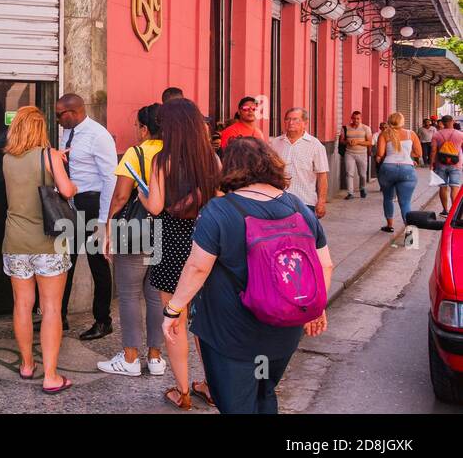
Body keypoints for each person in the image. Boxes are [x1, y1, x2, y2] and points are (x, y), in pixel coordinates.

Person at [163, 137, 333, 413]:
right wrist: (315, 307)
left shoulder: (218, 210)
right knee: (264, 391)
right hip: (283, 329)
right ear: (270, 164)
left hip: (231, 333)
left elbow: (197, 267)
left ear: (228, 168)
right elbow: (325, 264)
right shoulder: (298, 206)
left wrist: (173, 310)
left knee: (237, 404)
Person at [143, 96, 220, 410]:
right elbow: (218, 201)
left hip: (169, 245)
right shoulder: (212, 160)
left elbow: (157, 207)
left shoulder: (162, 161)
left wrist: (142, 193)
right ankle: (212, 386)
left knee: (174, 320)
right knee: (204, 324)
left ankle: (182, 391)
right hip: (206, 247)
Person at [2, 106, 77, 392]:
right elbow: (67, 190)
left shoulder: (7, 159)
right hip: (48, 242)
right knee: (50, 308)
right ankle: (51, 375)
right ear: (40, 128)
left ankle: (26, 365)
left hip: (15, 241)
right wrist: (73, 181)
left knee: (22, 304)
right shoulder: (49, 155)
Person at [98, 103, 166, 377]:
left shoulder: (135, 153)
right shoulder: (175, 153)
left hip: (135, 229)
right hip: (165, 229)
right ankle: (156, 358)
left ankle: (130, 358)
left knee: (128, 295)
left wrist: (109, 229)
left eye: (137, 126)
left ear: (145, 129)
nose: (136, 131)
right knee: (155, 296)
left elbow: (121, 196)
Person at [54, 93, 116, 340]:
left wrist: (103, 220)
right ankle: (57, 316)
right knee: (63, 261)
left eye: (60, 114)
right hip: (70, 204)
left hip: (92, 204)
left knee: (97, 263)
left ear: (75, 111)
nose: (57, 119)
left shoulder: (98, 135)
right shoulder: (66, 132)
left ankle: (103, 321)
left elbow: (110, 178)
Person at [269, 108, 329, 218]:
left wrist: (321, 202)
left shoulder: (315, 145)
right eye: (287, 119)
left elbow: (322, 175)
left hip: (305, 201)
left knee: (304, 234)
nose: (291, 123)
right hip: (278, 201)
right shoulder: (275, 143)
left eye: (295, 119)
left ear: (305, 123)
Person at [376, 112, 421, 233]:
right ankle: (410, 237)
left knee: (388, 198)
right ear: (402, 121)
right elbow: (419, 153)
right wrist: (407, 155)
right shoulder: (411, 134)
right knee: (405, 203)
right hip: (407, 169)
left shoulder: (384, 134)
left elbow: (380, 154)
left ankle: (389, 225)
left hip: (388, 169)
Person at [429, 115, 463, 214]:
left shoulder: (437, 134)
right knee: (455, 187)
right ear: (452, 121)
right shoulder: (460, 134)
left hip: (441, 164)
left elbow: (433, 151)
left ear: (442, 123)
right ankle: (455, 211)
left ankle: (445, 210)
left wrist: (431, 164)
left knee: (443, 187)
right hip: (456, 164)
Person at [341, 111, 372, 199]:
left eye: (358, 118)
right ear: (351, 118)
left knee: (362, 174)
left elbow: (370, 142)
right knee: (349, 173)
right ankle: (350, 193)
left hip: (362, 154)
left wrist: (358, 142)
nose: (356, 120)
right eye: (354, 118)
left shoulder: (366, 128)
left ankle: (362, 188)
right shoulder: (345, 128)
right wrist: (348, 141)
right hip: (349, 153)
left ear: (361, 119)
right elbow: (341, 141)